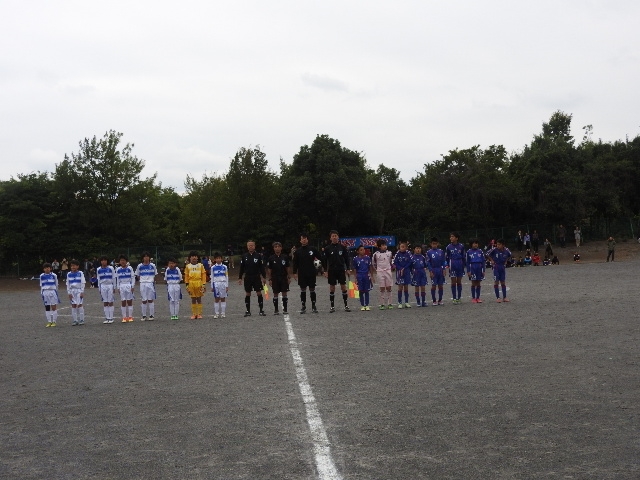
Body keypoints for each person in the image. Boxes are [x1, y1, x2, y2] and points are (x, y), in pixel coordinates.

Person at [291, 233, 322, 314]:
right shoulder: (298, 251)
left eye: (305, 238)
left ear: (307, 240)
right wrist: (294, 272)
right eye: (302, 238)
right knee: (303, 289)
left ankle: (313, 306)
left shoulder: (313, 249)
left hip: (311, 272)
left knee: (312, 289)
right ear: (300, 240)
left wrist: (319, 267)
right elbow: (295, 263)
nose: (304, 240)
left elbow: (320, 258)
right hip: (302, 273)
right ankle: (303, 306)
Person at [322, 230, 352, 313]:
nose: (334, 237)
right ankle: (332, 306)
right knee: (332, 287)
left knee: (343, 287)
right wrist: (325, 270)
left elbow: (346, 259)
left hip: (341, 269)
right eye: (333, 236)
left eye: (335, 236)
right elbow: (324, 260)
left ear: (338, 237)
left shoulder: (342, 247)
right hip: (332, 270)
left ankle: (346, 305)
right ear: (330, 238)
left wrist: (348, 269)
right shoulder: (327, 248)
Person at [238, 240, 267, 317]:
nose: (250, 247)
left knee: (259, 292)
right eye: (249, 245)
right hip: (248, 277)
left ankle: (261, 310)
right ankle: (248, 311)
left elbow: (262, 267)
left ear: (254, 246)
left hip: (256, 277)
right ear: (247, 247)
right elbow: (242, 268)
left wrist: (264, 277)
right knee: (248, 293)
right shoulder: (244, 256)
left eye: (252, 245)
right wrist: (240, 277)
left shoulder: (258, 256)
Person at [267, 242, 290, 315]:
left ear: (281, 248)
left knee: (284, 293)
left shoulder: (285, 257)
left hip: (283, 277)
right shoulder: (271, 258)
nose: (277, 248)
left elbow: (287, 267)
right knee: (275, 293)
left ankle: (285, 309)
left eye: (278, 246)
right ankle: (276, 310)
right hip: (275, 278)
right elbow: (269, 269)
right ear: (273, 248)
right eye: (275, 247)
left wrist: (288, 277)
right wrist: (270, 279)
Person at [486, 239, 512, 303]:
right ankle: (498, 297)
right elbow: (487, 254)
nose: (497, 245)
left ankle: (504, 297)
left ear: (503, 245)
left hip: (502, 267)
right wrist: (491, 260)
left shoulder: (506, 250)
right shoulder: (494, 249)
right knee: (496, 282)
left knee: (503, 282)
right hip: (496, 267)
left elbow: (510, 255)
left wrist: (506, 261)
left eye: (499, 244)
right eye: (497, 244)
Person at [372, 238, 394, 310]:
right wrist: (378, 269)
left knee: (389, 287)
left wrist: (390, 268)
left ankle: (390, 303)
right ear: (379, 246)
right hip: (380, 272)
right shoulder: (376, 254)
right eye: (383, 245)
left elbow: (391, 261)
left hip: (388, 271)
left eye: (385, 245)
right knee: (382, 288)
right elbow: (374, 263)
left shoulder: (389, 253)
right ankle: (382, 304)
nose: (385, 246)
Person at [135, 251, 157, 321]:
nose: (146, 258)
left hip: (150, 284)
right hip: (143, 284)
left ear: (149, 258)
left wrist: (151, 281)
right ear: (142, 258)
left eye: (147, 256)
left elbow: (155, 275)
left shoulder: (153, 265)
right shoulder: (139, 266)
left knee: (150, 299)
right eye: (145, 256)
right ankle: (144, 315)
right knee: (144, 300)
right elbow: (138, 275)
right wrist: (142, 280)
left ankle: (151, 315)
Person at [184, 251, 207, 319]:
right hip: (191, 283)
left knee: (199, 298)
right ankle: (194, 314)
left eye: (195, 256)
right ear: (190, 258)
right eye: (192, 256)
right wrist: (187, 285)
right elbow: (186, 276)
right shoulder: (188, 266)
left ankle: (199, 314)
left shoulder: (201, 265)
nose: (194, 257)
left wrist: (203, 284)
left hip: (199, 283)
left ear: (197, 258)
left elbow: (203, 275)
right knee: (193, 299)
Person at [445, 232, 465, 304]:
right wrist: (447, 264)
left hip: (459, 264)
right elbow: (447, 257)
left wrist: (463, 265)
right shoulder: (448, 247)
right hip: (452, 264)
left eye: (452, 236)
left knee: (459, 281)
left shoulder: (461, 246)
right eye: (450, 236)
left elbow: (463, 256)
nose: (451, 238)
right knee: (453, 282)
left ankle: (459, 298)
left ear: (456, 238)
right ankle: (454, 298)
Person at [426, 237, 446, 306]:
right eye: (433, 244)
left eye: (435, 244)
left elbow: (443, 261)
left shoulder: (441, 251)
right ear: (431, 244)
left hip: (440, 269)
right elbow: (428, 263)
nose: (434, 245)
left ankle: (440, 300)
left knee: (440, 285)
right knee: (433, 286)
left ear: (437, 244)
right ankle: (434, 300)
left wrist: (444, 269)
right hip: (434, 270)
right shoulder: (429, 252)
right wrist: (430, 271)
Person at [352, 245, 374, 310]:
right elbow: (355, 269)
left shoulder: (367, 258)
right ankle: (362, 305)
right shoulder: (355, 259)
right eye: (361, 250)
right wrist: (355, 277)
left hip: (366, 275)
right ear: (358, 251)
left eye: (363, 249)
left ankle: (367, 305)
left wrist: (372, 275)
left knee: (367, 290)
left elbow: (370, 267)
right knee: (360, 291)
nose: (363, 251)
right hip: (359, 275)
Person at [393, 241, 413, 308]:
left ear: (406, 247)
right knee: (400, 287)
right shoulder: (397, 253)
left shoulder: (408, 253)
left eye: (403, 247)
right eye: (401, 247)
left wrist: (404, 268)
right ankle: (399, 302)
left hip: (406, 271)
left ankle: (406, 302)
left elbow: (410, 261)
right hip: (399, 272)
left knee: (406, 287)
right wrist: (400, 268)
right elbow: (395, 262)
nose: (402, 248)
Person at [116, 254, 135, 322]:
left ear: (126, 261)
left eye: (124, 260)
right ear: (119, 262)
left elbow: (133, 277)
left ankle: (130, 317)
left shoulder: (130, 268)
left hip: (128, 285)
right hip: (122, 286)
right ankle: (124, 317)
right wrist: (118, 287)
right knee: (123, 301)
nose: (122, 261)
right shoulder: (118, 269)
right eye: (121, 260)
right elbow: (117, 279)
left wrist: (132, 286)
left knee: (129, 301)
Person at [40, 262, 60, 327]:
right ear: (43, 269)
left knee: (53, 307)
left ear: (50, 268)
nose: (47, 269)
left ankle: (54, 321)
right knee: (47, 307)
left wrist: (55, 291)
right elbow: (41, 285)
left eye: (48, 268)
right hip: (45, 292)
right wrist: (42, 293)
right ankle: (49, 321)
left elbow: (56, 284)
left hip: (52, 291)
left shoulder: (54, 275)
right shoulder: (41, 276)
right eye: (45, 268)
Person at [97, 255, 116, 324]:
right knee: (105, 302)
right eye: (102, 260)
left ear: (107, 261)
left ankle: (111, 318)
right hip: (103, 286)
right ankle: (107, 318)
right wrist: (99, 288)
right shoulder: (98, 269)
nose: (103, 262)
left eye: (105, 260)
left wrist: (114, 287)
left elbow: (114, 278)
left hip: (110, 285)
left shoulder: (111, 268)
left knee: (110, 301)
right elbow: (98, 279)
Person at [66, 259, 86, 325]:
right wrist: (69, 293)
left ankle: (82, 319)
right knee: (73, 305)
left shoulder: (80, 273)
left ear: (77, 266)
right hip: (72, 291)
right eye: (71, 266)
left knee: (79, 304)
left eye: (74, 266)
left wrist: (82, 291)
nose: (73, 267)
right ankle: (75, 320)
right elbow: (68, 284)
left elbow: (83, 282)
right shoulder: (69, 274)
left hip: (79, 290)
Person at [466, 238, 485, 304]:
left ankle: (478, 297)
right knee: (473, 282)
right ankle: (473, 298)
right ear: (471, 244)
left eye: (476, 243)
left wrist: (483, 270)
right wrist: (468, 271)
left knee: (478, 282)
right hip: (472, 267)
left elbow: (483, 261)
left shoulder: (480, 251)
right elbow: (467, 262)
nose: (475, 245)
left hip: (479, 267)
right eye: (474, 243)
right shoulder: (468, 252)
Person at [211, 253, 229, 318]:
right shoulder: (213, 267)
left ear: (221, 259)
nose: (218, 259)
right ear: (215, 259)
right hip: (216, 284)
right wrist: (212, 286)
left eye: (219, 258)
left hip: (223, 283)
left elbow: (226, 276)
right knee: (216, 299)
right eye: (217, 258)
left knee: (223, 298)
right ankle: (216, 313)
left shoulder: (225, 267)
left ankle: (223, 313)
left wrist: (227, 286)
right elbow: (212, 277)